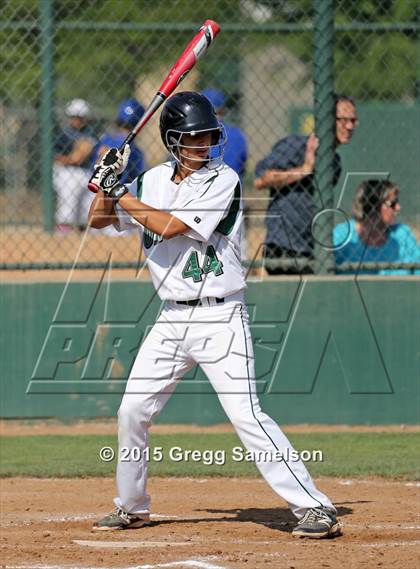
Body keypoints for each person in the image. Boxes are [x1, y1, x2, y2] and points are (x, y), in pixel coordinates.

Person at [88, 91, 341, 539]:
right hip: (170, 319)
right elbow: (98, 219)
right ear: (171, 140)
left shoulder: (223, 179)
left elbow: (170, 226)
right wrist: (106, 180)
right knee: (131, 411)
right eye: (193, 137)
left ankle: (315, 506)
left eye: (208, 135)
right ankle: (131, 506)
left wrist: (119, 190)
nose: (204, 143)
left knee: (247, 414)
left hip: (220, 318)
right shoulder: (150, 180)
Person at [254, 94, 358, 274]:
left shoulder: (335, 162)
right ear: (326, 119)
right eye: (343, 120)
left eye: (353, 120)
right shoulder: (295, 145)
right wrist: (305, 169)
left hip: (313, 249)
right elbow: (261, 179)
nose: (349, 126)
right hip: (283, 247)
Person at [333, 179, 420, 275]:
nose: (398, 207)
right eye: (392, 204)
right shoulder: (342, 234)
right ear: (373, 206)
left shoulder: (402, 234)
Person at [53, 98, 97, 232]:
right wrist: (71, 159)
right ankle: (63, 230)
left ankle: (84, 232)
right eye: (74, 116)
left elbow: (95, 150)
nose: (77, 120)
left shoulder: (90, 132)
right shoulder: (64, 133)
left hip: (86, 171)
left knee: (87, 206)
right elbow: (55, 155)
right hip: (67, 171)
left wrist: (84, 153)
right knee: (68, 204)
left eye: (80, 117)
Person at [92, 98, 147, 184]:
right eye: (120, 124)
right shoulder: (137, 152)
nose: (123, 131)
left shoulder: (105, 140)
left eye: (128, 127)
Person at [201, 88, 248, 183]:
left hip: (203, 193)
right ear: (223, 110)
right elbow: (243, 166)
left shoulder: (194, 134)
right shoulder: (237, 134)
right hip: (233, 193)